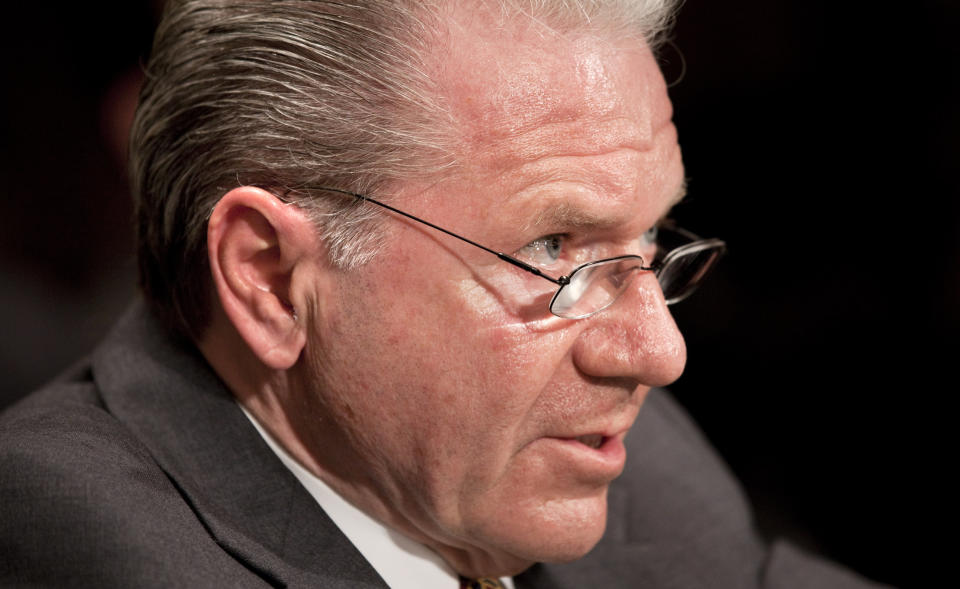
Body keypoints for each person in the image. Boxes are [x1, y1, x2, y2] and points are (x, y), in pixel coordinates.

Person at [0, 1, 890, 587]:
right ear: (270, 278)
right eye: (554, 247)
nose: (658, 351)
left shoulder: (594, 443)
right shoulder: (65, 533)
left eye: (650, 240)